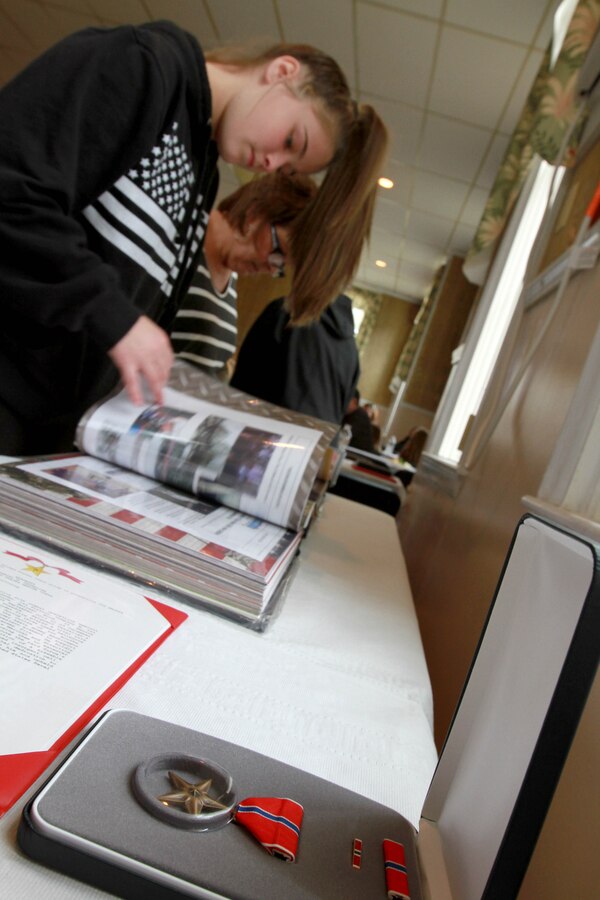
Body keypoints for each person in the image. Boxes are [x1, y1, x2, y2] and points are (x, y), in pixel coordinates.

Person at [0, 21, 388, 454]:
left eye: (286, 165)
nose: (270, 162)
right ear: (282, 71)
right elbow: (13, 193)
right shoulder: (142, 65)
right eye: (290, 139)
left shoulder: (203, 172)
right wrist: (116, 318)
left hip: (46, 433)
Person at [171, 172, 317, 375]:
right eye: (279, 251)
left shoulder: (231, 275)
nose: (272, 268)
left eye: (281, 266)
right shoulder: (184, 233)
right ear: (255, 213)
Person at [230, 294, 359, 424]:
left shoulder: (285, 312)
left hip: (262, 430)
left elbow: (242, 389)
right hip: (312, 440)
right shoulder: (351, 348)